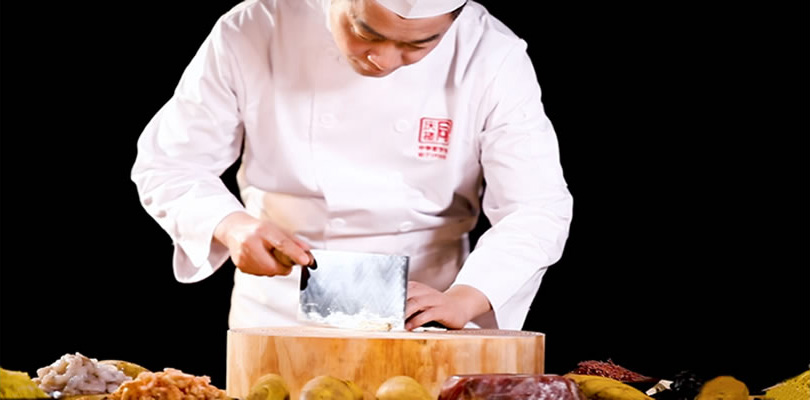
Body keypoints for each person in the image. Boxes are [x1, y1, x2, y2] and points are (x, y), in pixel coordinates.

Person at [131, 0, 573, 331]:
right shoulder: (256, 27)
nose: (383, 60)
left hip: (427, 311)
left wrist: (466, 297)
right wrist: (230, 225)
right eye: (365, 31)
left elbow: (536, 207)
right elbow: (169, 162)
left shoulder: (491, 55)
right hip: (278, 312)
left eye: (418, 44)